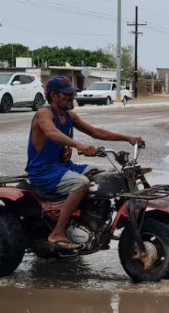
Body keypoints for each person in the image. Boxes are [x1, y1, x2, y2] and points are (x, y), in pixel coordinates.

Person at [27, 76, 144, 250]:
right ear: (54, 96)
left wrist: (127, 138)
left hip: (64, 167)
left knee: (103, 175)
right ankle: (57, 233)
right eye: (66, 94)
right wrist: (78, 144)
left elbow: (96, 132)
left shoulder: (69, 116)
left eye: (72, 94)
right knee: (81, 183)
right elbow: (51, 132)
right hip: (43, 170)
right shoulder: (44, 113)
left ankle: (90, 221)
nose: (71, 97)